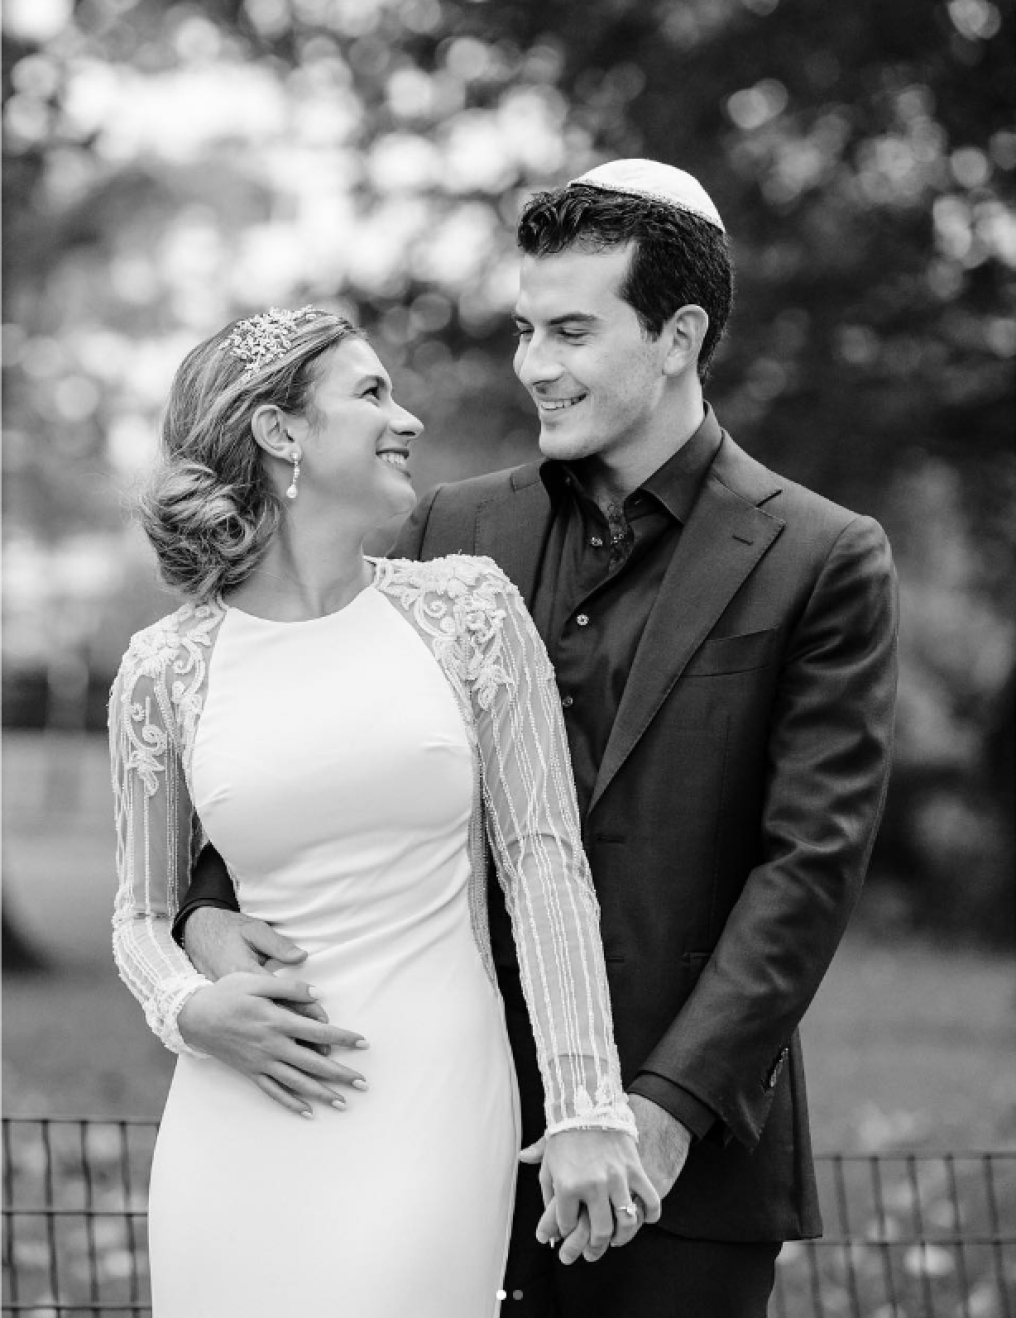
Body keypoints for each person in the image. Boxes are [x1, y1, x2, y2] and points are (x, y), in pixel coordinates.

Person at [178, 161, 899, 1317]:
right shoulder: (445, 524)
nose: (533, 366)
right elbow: (321, 749)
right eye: (524, 330)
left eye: (570, 331)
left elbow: (805, 869)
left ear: (677, 337)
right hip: (416, 1120)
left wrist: (657, 1112)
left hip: (677, 1166)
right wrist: (208, 914)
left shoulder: (820, 556)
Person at [108, 305, 662, 1318]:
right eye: (370, 393)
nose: (406, 419)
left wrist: (587, 1103)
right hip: (235, 1109)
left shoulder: (467, 612)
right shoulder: (166, 669)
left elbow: (544, 862)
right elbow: (141, 914)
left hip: (432, 1099)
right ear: (281, 431)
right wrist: (188, 1008)